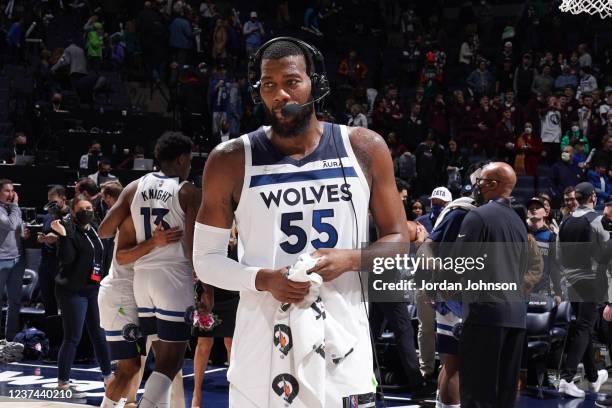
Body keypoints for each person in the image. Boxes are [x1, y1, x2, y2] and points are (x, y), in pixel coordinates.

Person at [192, 37, 415, 406]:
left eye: (292, 81)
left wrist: (350, 259)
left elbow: (398, 238)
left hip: (342, 338)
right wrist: (263, 279)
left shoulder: (363, 147)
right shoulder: (229, 159)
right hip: (262, 340)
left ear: (316, 83)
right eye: (269, 84)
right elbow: (205, 260)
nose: (280, 93)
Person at [98, 132, 201, 408]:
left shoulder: (134, 187)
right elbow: (192, 249)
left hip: (141, 283)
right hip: (166, 279)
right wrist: (205, 287)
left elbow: (104, 229)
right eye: (190, 160)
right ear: (181, 159)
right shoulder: (188, 190)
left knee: (158, 357)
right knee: (168, 360)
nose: (190, 165)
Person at [452, 162, 528, 407]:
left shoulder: (478, 215)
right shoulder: (518, 222)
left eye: (481, 180)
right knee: (504, 395)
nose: (478, 185)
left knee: (477, 393)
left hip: (485, 315)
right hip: (516, 315)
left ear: (493, 184)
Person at [98, 205, 183, 408]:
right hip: (122, 294)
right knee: (130, 367)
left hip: (147, 294)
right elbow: (120, 255)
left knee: (168, 359)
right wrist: (154, 241)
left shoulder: (169, 217)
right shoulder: (132, 218)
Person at [50, 195, 112, 397]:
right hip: (72, 290)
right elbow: (66, 259)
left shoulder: (94, 228)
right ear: (74, 211)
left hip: (93, 288)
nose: (88, 211)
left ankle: (109, 378)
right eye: (82, 208)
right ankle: (62, 384)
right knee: (73, 337)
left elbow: (102, 254)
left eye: (89, 207)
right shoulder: (68, 230)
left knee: (99, 335)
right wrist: (63, 236)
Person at [557, 182, 609, 398]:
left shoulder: (565, 221)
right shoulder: (596, 220)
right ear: (593, 197)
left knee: (582, 326)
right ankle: (567, 378)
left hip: (571, 281)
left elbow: (559, 255)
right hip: (591, 281)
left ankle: (593, 376)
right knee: (584, 327)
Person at [191, 227, 239, 408]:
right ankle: (196, 394)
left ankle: (235, 394)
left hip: (233, 284)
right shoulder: (206, 215)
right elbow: (198, 250)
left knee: (232, 343)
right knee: (204, 343)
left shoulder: (238, 216)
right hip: (208, 284)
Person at [0, 179, 28, 341]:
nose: (11, 194)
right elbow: (10, 224)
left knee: (15, 301)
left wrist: (23, 233)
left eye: (12, 190)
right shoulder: (11, 208)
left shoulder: (13, 208)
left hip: (17, 259)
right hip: (1, 260)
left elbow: (18, 226)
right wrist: (16, 206)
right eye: (7, 191)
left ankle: (11, 338)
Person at [38, 185, 69, 317]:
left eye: (54, 202)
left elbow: (74, 239)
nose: (51, 205)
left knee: (64, 302)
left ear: (63, 199)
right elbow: (45, 233)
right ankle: (51, 334)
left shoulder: (70, 216)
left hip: (61, 263)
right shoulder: (47, 216)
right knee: (48, 300)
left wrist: (57, 239)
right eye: (49, 202)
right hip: (45, 262)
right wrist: (41, 238)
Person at [526, 197, 561, 303]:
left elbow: (554, 266)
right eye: (531, 208)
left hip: (543, 290)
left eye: (537, 207)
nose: (534, 210)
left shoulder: (550, 236)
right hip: (522, 288)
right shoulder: (521, 234)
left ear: (545, 213)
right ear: (527, 213)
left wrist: (558, 292)